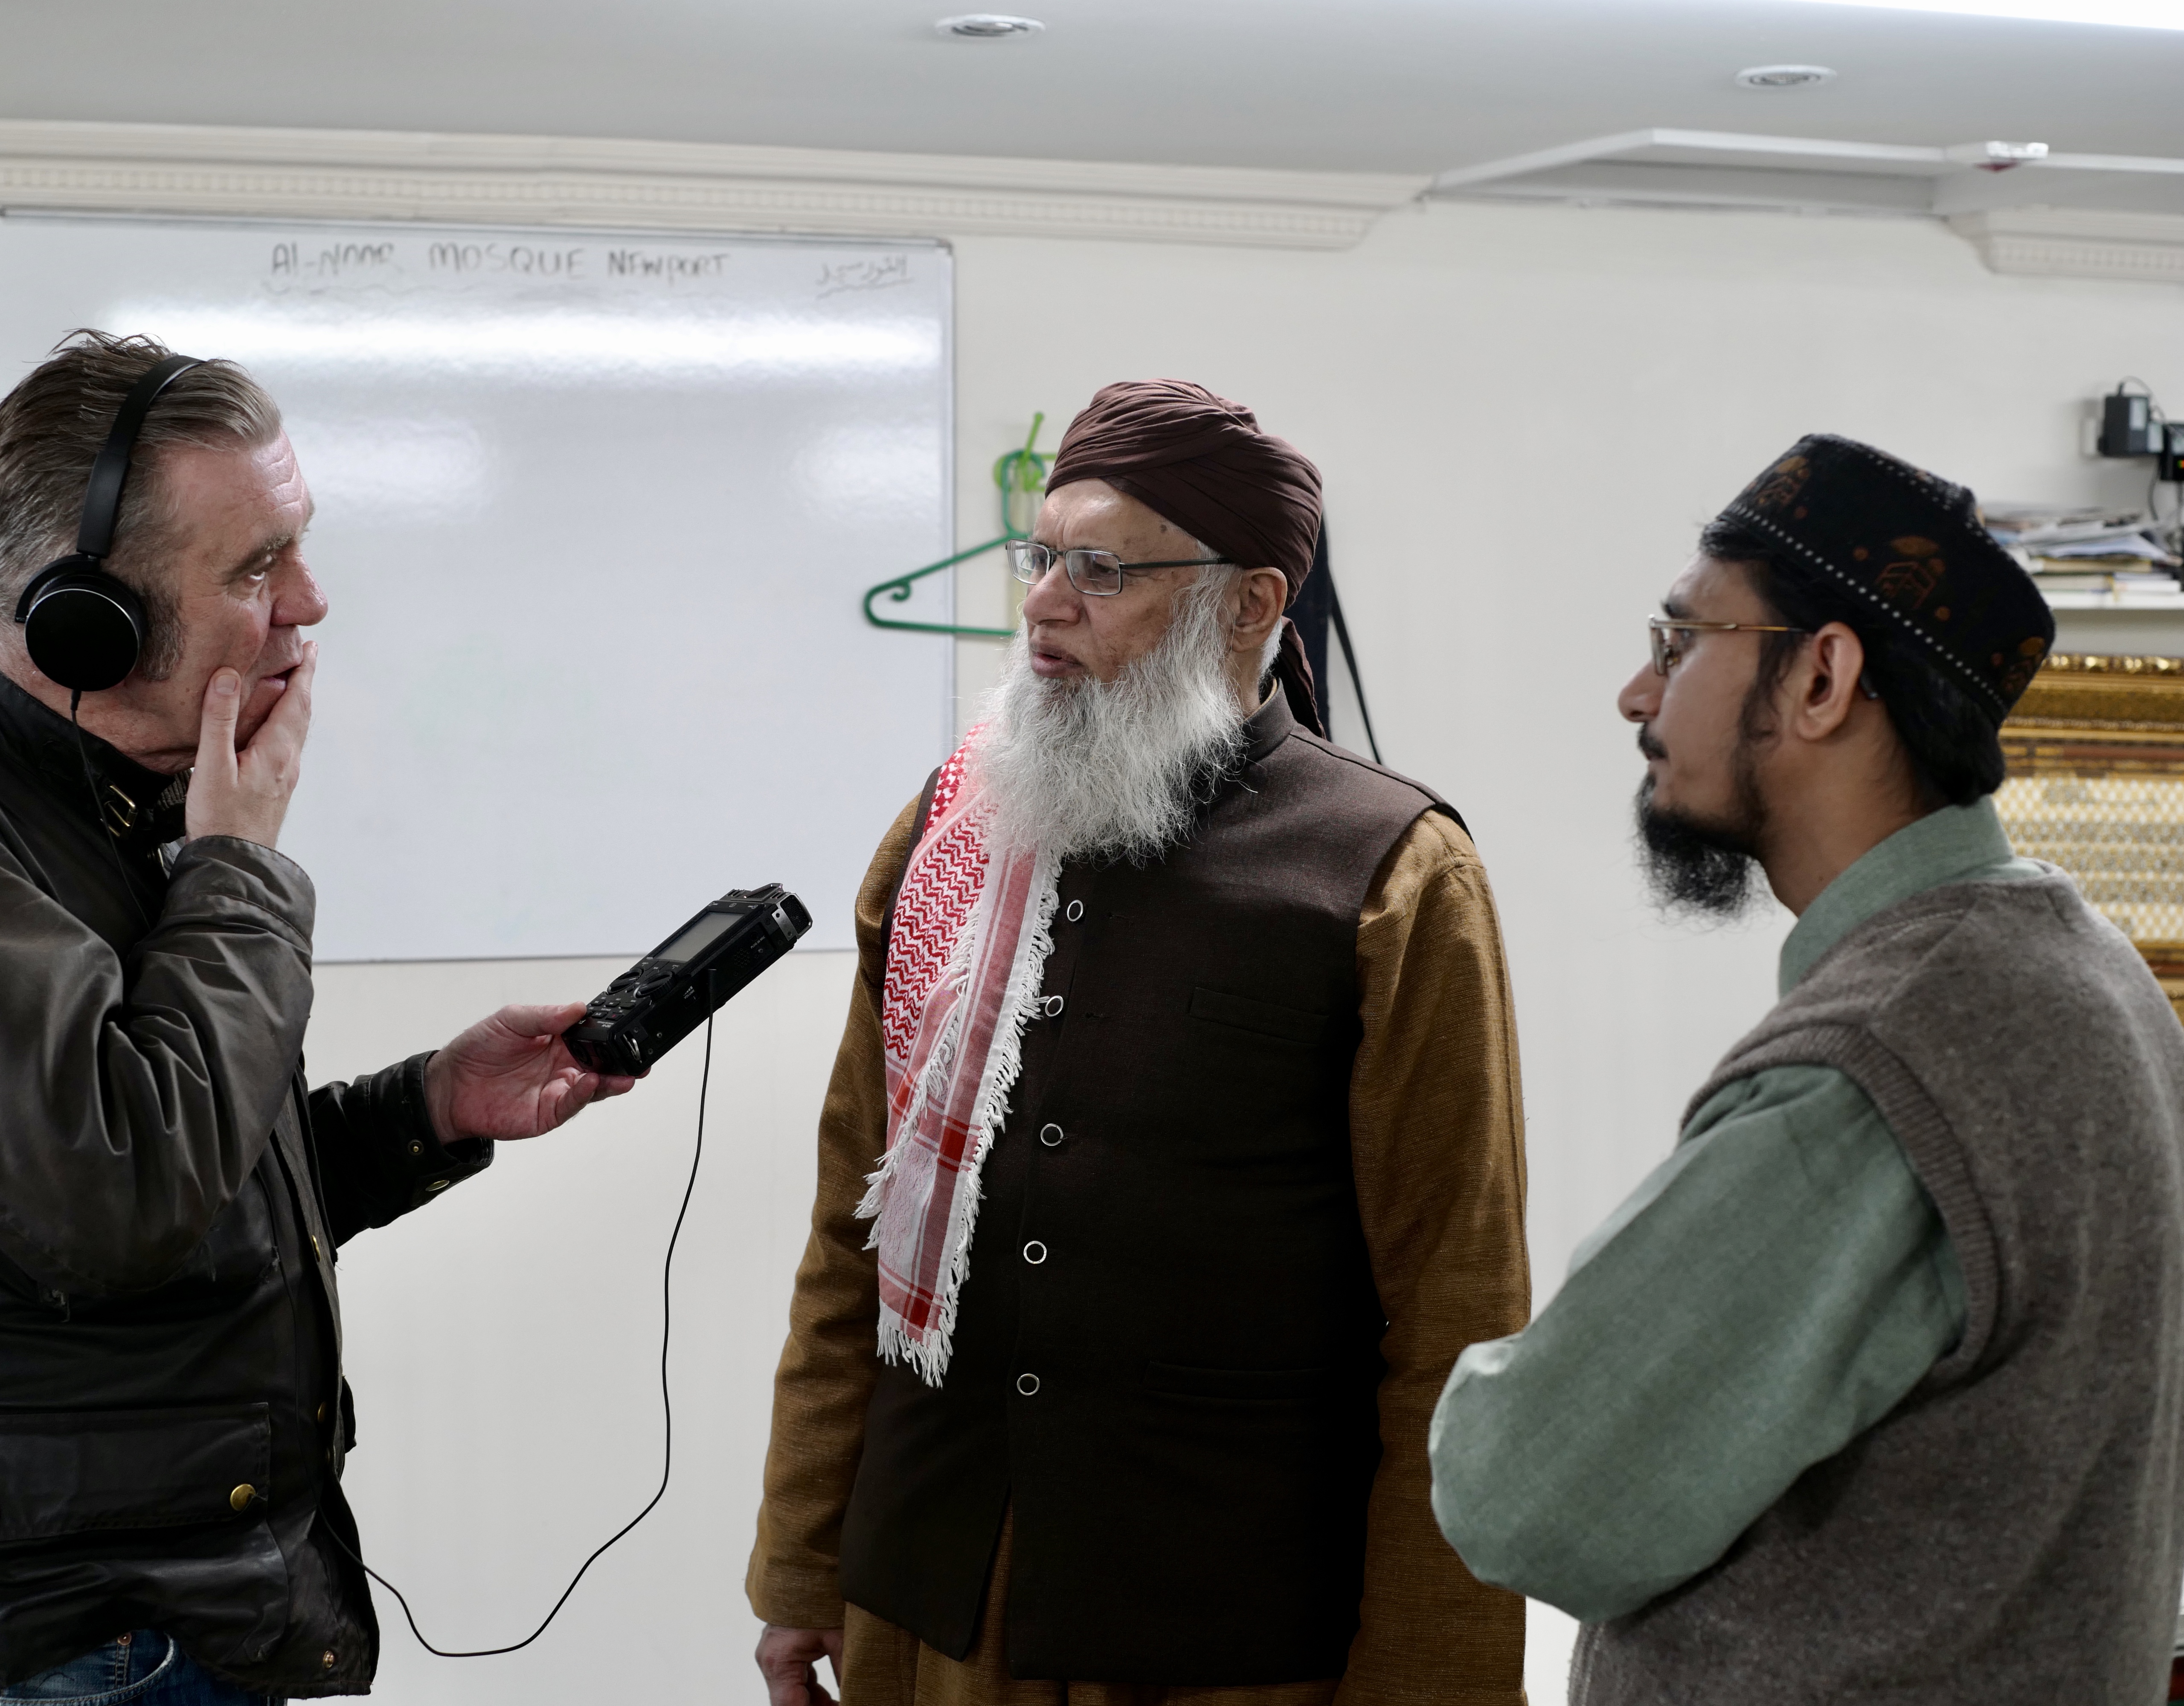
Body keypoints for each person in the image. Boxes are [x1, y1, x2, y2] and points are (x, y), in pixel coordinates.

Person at [0, 332, 633, 1705]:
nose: (310, 601)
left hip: (157, 1619)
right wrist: (239, 869)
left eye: (297, 548)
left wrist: (427, 1111)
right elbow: (119, 1201)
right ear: (82, 620)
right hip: (51, 1649)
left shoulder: (115, 805)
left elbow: (188, 1170)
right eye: (253, 567)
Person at [748, 381, 1530, 1706]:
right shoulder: (952, 828)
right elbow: (855, 1226)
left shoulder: (1392, 872)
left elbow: (1456, 1313)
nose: (1046, 603)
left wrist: (1432, 1680)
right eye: (1040, 557)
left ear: (1251, 604)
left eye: (1100, 569)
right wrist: (799, 1563)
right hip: (929, 1605)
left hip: (1224, 1630)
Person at [1429, 435, 2184, 1703]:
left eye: (1679, 643)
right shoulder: (2098, 979)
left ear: (1825, 675)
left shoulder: (1885, 1067)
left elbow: (1526, 1492)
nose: (1636, 694)